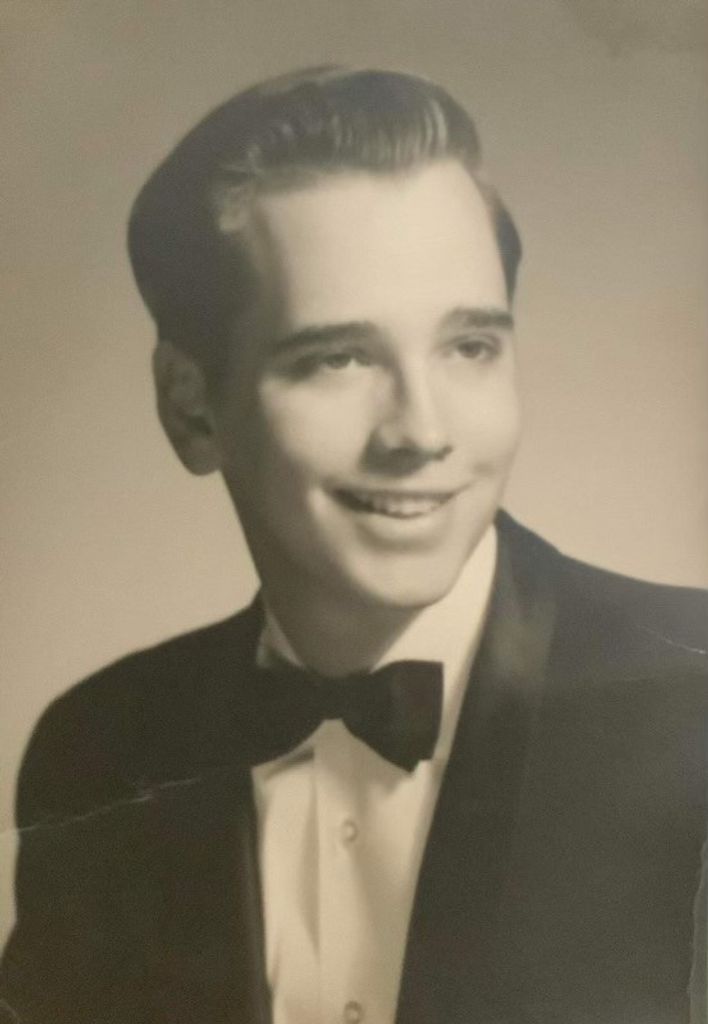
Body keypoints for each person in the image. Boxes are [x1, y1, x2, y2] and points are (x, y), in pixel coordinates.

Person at [1, 66, 705, 1024]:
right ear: (190, 406)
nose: (422, 431)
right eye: (337, 357)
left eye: (469, 347)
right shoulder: (97, 751)